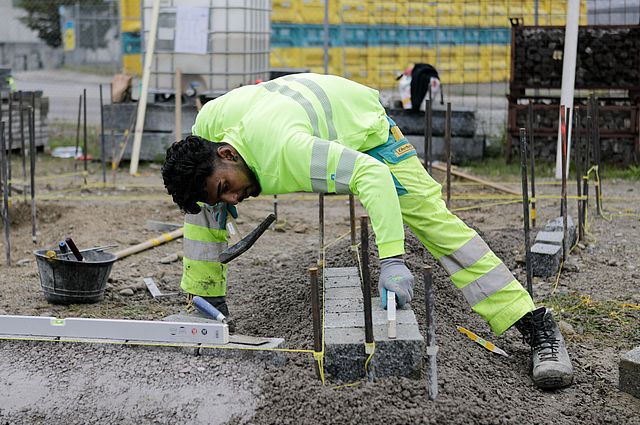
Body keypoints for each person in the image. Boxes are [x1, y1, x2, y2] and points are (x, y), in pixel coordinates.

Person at [161, 73, 573, 389]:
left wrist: (392, 260)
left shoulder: (290, 150)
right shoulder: (207, 127)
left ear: (228, 153)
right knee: (202, 211)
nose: (233, 200)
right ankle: (206, 304)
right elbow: (210, 197)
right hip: (291, 114)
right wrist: (212, 205)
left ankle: (535, 324)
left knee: (434, 221)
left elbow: (371, 176)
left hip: (364, 128)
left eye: (226, 188)